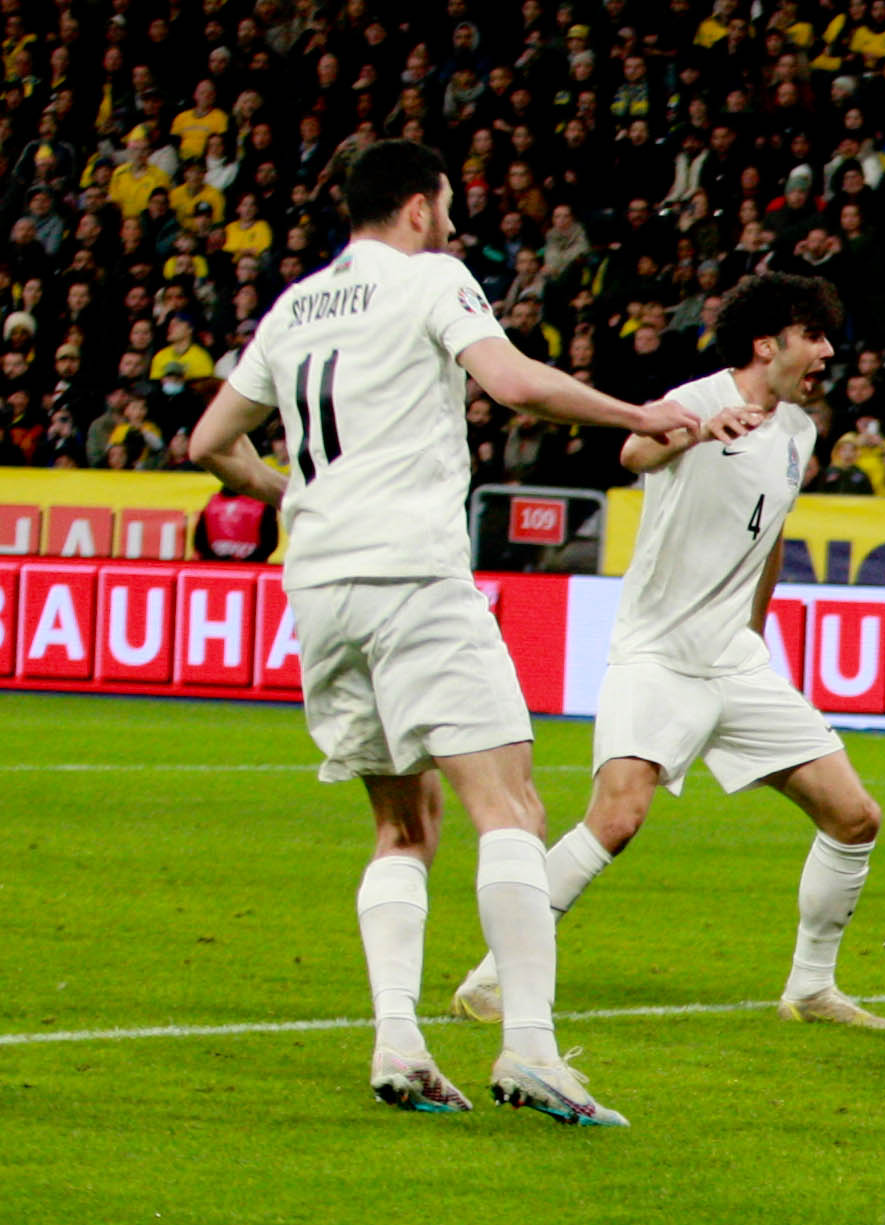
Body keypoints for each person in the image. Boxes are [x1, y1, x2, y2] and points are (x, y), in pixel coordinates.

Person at [183, 140, 713, 1126]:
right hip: (412, 577)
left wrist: (292, 494)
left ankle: (398, 1043)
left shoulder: (294, 306)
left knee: (402, 824)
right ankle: (532, 1050)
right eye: (449, 206)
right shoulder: (432, 278)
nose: (455, 223)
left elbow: (209, 441)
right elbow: (513, 384)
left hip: (321, 588)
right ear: (420, 208)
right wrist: (640, 412)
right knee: (510, 806)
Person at [445, 273, 885, 1036]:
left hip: (735, 661)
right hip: (659, 653)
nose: (828, 352)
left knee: (854, 817)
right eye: (814, 336)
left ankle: (811, 988)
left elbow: (769, 536)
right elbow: (633, 453)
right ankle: (489, 980)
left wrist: (754, 631)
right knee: (616, 818)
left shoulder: (799, 431)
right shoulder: (697, 400)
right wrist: (694, 431)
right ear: (768, 344)